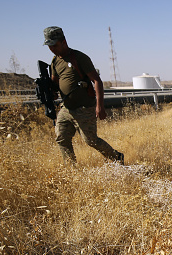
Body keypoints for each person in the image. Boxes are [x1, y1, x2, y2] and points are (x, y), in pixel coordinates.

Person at [43, 26, 123, 164]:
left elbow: (96, 80)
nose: (52, 49)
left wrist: (100, 106)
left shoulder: (79, 58)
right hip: (66, 108)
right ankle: (71, 170)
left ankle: (117, 157)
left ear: (63, 42)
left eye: (54, 45)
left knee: (90, 140)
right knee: (61, 138)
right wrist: (50, 92)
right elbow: (55, 84)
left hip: (84, 108)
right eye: (49, 46)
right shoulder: (55, 61)